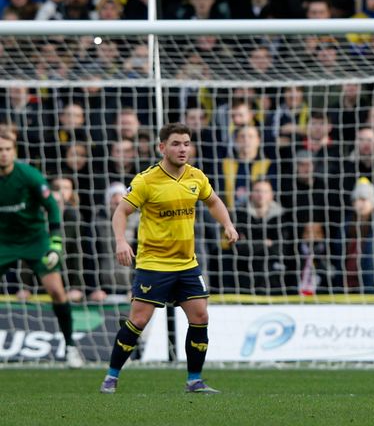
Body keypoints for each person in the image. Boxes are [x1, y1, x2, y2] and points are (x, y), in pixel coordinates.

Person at [99, 123, 238, 394]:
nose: (182, 149)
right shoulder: (146, 180)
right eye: (176, 143)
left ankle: (194, 380)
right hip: (154, 264)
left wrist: (228, 224)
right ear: (161, 147)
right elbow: (121, 212)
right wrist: (120, 241)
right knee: (138, 321)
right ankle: (111, 377)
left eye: (186, 143)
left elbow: (214, 202)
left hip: (187, 264)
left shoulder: (196, 177)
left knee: (200, 315)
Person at [0, 129, 84, 368]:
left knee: (57, 291)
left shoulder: (29, 176)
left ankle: (70, 346)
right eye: (0, 150)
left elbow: (53, 207)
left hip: (35, 239)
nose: (3, 154)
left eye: (7, 150)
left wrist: (55, 242)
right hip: (3, 240)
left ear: (13, 151)